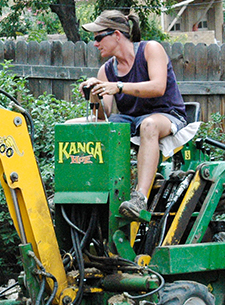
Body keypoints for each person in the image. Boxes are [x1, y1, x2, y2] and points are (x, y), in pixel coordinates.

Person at [76, 10, 187, 219]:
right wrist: (93, 95)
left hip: (166, 114)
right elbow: (104, 115)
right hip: (131, 120)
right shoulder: (106, 70)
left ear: (116, 35)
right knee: (75, 125)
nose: (95, 43)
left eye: (99, 37)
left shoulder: (150, 49)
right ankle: (78, 190)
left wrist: (118, 86)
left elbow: (158, 87)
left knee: (149, 125)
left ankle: (139, 199)